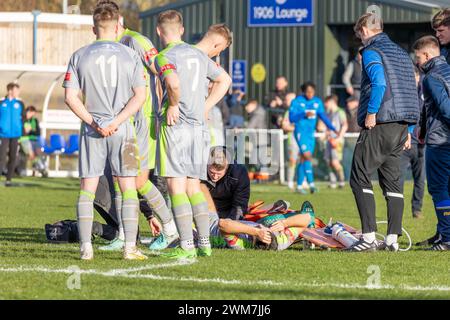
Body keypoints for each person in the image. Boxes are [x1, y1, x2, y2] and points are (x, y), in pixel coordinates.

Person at [63, 3, 147, 260]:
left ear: (93, 28)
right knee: (129, 187)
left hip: (92, 132)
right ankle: (129, 248)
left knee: (87, 188)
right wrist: (118, 121)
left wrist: (94, 122)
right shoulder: (130, 55)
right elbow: (140, 96)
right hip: (125, 131)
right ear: (118, 25)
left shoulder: (78, 55)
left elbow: (70, 97)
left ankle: (86, 247)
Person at [93, 0, 177, 252]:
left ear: (118, 21)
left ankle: (170, 229)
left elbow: (162, 70)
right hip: (123, 121)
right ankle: (123, 234)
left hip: (143, 120)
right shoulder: (109, 47)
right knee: (121, 179)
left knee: (137, 180)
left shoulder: (136, 41)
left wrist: (171, 104)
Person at [154, 11, 232, 259]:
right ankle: (205, 243)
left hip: (176, 127)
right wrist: (206, 106)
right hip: (199, 130)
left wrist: (174, 104)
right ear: (183, 30)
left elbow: (173, 84)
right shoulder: (198, 55)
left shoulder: (164, 56)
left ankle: (186, 245)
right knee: (193, 187)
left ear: (159, 31)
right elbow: (225, 80)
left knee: (175, 187)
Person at [347, 13, 419, 252]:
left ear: (364, 31)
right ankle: (392, 241)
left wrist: (371, 113)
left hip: (380, 122)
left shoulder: (371, 51)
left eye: (359, 35)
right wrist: (409, 129)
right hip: (401, 127)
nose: (360, 40)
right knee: (392, 184)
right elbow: (411, 89)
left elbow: (379, 84)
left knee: (359, 176)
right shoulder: (402, 54)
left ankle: (367, 238)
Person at [413, 36, 450, 251]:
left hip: (440, 141)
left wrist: (424, 130)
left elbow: (443, 109)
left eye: (418, 57)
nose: (417, 62)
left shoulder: (430, 77)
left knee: (439, 188)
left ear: (426, 55)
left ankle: (446, 238)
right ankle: (444, 235)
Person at [289, 82, 337, 194]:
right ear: (304, 91)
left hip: (310, 134)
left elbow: (323, 116)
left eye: (312, 91)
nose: (310, 94)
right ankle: (311, 185)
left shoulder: (317, 102)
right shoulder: (297, 101)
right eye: (307, 91)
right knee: (307, 156)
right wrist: (303, 115)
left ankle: (299, 186)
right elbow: (291, 118)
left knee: (304, 159)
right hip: (300, 132)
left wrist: (332, 128)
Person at [400, 67, 426, 219]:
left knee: (420, 180)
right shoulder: (402, 95)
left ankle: (417, 209)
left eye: (415, 75)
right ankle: (398, 209)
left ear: (418, 77)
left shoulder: (425, 94)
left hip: (419, 144)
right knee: (398, 178)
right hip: (403, 144)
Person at [201, 146, 250, 220]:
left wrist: (232, 223)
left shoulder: (239, 173)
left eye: (219, 174)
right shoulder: (198, 170)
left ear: (227, 167)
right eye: (212, 172)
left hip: (228, 212)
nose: (215, 177)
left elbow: (240, 204)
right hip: (204, 210)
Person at [0, 83, 24, 187]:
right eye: (16, 90)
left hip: (15, 135)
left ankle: (8, 179)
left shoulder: (20, 103)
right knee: (1, 157)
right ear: (10, 90)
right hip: (3, 134)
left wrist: (22, 131)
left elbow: (23, 118)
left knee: (13, 157)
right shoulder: (1, 103)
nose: (17, 92)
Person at [323, 94, 348, 189]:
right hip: (329, 140)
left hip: (337, 140)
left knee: (335, 162)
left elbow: (345, 125)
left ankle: (341, 181)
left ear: (332, 102)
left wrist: (338, 138)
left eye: (327, 102)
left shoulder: (340, 112)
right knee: (328, 161)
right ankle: (332, 181)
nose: (325, 104)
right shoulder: (328, 113)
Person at [19, 106, 47, 177]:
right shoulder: (21, 120)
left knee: (40, 153)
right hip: (24, 139)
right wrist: (26, 131)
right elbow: (21, 131)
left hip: (34, 139)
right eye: (30, 112)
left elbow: (37, 132)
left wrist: (30, 130)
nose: (31, 114)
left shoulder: (34, 120)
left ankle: (40, 167)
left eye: (33, 113)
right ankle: (41, 168)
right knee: (31, 154)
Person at [281, 92, 298, 190]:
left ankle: (303, 181)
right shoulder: (288, 112)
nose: (286, 101)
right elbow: (285, 126)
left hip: (304, 140)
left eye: (288, 99)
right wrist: (297, 128)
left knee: (303, 160)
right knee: (292, 160)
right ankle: (290, 181)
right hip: (292, 140)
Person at [343, 96, 361, 180]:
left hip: (358, 138)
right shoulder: (345, 112)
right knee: (347, 160)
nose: (348, 104)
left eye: (350, 102)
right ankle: (347, 178)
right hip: (348, 139)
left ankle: (359, 178)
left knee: (358, 160)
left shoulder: (361, 111)